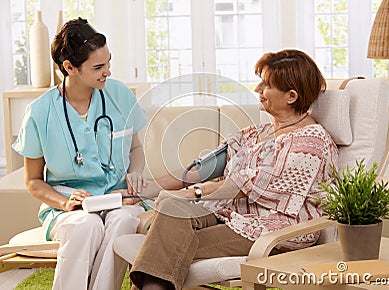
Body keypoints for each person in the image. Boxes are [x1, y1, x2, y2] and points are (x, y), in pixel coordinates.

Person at [128, 49, 339, 290]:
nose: (258, 89)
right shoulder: (258, 134)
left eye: (267, 84)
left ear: (291, 96)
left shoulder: (310, 142)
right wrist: (142, 192)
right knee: (169, 209)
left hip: (273, 229)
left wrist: (191, 194)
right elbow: (200, 169)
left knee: (166, 248)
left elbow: (247, 184)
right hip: (230, 214)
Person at [12, 18, 148, 290]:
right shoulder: (40, 112)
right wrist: (64, 203)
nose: (107, 72)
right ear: (69, 68)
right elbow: (33, 181)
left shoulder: (120, 95)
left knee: (123, 222)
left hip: (119, 198)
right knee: (87, 226)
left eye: (109, 62)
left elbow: (135, 148)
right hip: (68, 204)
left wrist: (135, 174)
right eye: (98, 67)